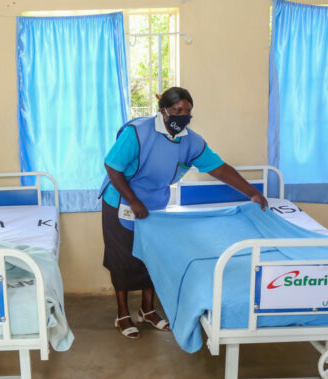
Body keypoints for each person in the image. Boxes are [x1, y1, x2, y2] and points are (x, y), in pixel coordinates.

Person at [100, 87, 268, 339]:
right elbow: (112, 167)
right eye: (177, 110)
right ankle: (122, 314)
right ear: (163, 111)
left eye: (187, 111)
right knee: (122, 258)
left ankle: (148, 310)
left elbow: (219, 168)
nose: (182, 115)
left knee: (151, 257)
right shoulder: (138, 132)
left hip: (154, 204)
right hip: (121, 201)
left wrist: (251, 192)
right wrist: (133, 200)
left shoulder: (190, 140)